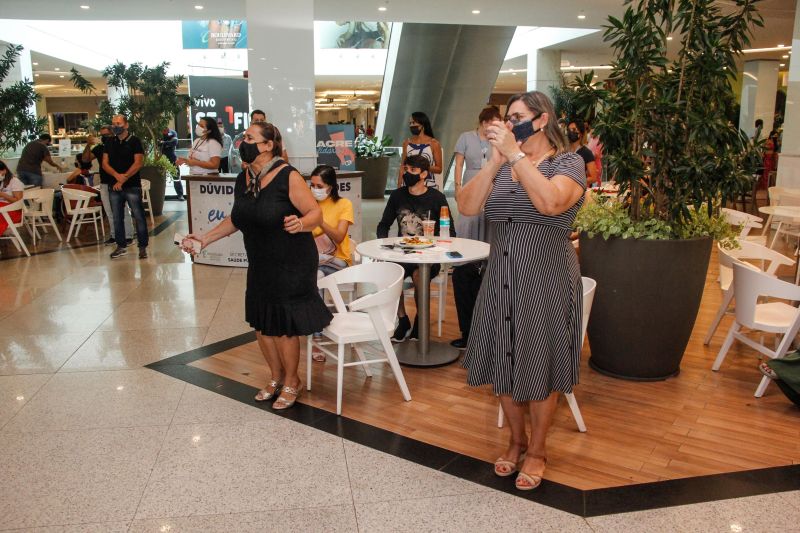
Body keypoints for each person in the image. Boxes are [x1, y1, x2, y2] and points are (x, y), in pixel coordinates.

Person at [459, 91, 586, 491]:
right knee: (504, 360)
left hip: (545, 278)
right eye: (506, 119)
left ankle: (538, 450)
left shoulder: (568, 163)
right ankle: (515, 443)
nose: (508, 125)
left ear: (542, 119)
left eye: (515, 117)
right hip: (500, 276)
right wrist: (495, 162)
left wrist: (514, 156)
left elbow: (551, 203)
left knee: (537, 365)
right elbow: (466, 206)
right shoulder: (500, 164)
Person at [183, 122, 330, 410]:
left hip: (292, 261)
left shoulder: (288, 176)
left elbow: (316, 212)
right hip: (261, 260)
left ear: (268, 145)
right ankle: (275, 377)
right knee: (263, 323)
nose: (242, 142)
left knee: (284, 325)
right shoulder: (244, 178)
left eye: (250, 137)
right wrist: (205, 238)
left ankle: (292, 381)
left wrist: (300, 223)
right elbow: (237, 219)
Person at [377, 154, 456, 341]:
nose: (407, 173)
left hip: (428, 257)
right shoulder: (397, 196)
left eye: (413, 170)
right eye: (406, 169)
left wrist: (437, 244)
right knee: (389, 275)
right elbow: (383, 225)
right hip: (402, 254)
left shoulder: (437, 198)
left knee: (419, 275)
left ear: (424, 174)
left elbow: (450, 230)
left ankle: (421, 320)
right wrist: (384, 247)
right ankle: (403, 319)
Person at [310, 164, 354, 362]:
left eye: (318, 185)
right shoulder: (308, 203)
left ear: (330, 186)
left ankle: (317, 334)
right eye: (312, 184)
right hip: (314, 258)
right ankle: (317, 335)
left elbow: (339, 236)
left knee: (313, 273)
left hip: (339, 259)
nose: (314, 189)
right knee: (315, 276)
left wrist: (319, 221)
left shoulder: (344, 204)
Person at [103, 114, 150, 259]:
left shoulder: (135, 141)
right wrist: (116, 176)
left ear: (126, 125)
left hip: (132, 186)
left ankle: (142, 247)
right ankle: (121, 245)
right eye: (113, 123)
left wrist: (123, 179)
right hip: (114, 186)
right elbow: (105, 163)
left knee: (139, 216)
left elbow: (138, 163)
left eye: (118, 123)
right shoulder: (110, 141)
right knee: (117, 217)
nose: (115, 126)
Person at [82, 127, 134, 246]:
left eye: (107, 134)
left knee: (122, 209)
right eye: (102, 135)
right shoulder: (100, 148)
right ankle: (114, 235)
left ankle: (128, 235)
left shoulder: (121, 145)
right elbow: (85, 159)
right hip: (105, 183)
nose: (105, 137)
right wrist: (88, 145)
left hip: (118, 181)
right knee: (109, 210)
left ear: (113, 134)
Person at [397, 112, 443, 189]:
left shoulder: (434, 143)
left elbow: (439, 169)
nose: (411, 125)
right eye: (410, 123)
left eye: (414, 122)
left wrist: (421, 166)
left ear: (422, 124)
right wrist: (399, 187)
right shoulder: (406, 143)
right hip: (408, 185)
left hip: (427, 185)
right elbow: (402, 166)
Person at [567, 119, 598, 187]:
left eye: (574, 129)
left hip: (578, 191)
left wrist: (576, 181)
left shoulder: (586, 152)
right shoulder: (564, 151)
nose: (571, 132)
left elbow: (594, 177)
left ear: (581, 133)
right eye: (569, 130)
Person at [0, 161, 24, 238]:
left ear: (4, 170)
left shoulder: (15, 181)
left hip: (13, 210)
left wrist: (3, 195)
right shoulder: (2, 182)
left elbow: (18, 202)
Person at [160, 128, 183, 200]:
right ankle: (160, 196)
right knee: (160, 178)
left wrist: (163, 143)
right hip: (160, 158)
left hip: (172, 157)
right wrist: (167, 143)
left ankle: (180, 195)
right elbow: (157, 144)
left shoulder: (172, 132)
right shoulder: (158, 133)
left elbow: (174, 142)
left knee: (176, 176)